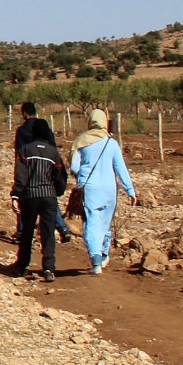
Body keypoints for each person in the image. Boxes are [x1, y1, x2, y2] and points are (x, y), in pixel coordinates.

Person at [69, 108, 137, 274]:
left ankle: (96, 260)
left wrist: (81, 176)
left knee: (91, 223)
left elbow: (74, 167)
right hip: (110, 191)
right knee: (105, 224)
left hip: (90, 190)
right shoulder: (112, 143)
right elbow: (121, 169)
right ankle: (104, 253)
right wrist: (130, 190)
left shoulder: (81, 141)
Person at [12, 114, 70, 281]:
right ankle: (49, 268)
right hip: (49, 197)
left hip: (29, 197)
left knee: (27, 232)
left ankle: (22, 266)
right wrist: (57, 191)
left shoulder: (25, 150)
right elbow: (60, 176)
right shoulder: (53, 153)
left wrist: (16, 195)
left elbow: (21, 176)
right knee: (48, 232)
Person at [13, 101, 74, 242]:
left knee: (24, 198)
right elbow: (53, 148)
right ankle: (63, 228)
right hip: (47, 167)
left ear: (24, 113)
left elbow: (19, 153)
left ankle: (23, 233)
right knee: (49, 197)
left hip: (29, 167)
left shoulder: (22, 131)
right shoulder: (46, 128)